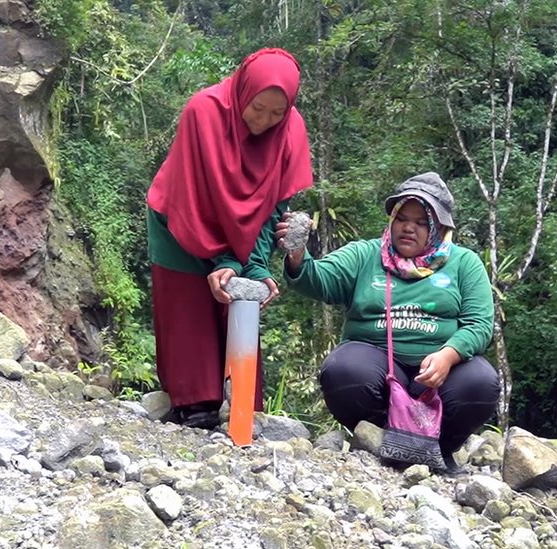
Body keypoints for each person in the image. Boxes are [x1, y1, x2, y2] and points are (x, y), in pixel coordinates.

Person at [275, 172, 499, 473]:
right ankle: (381, 441)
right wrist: (297, 252)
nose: (409, 227)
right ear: (391, 219)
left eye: (421, 222)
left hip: (440, 371)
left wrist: (449, 355)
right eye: (402, 218)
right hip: (376, 364)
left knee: (480, 383)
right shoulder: (365, 254)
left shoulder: (464, 262)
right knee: (342, 371)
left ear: (439, 227)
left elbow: (479, 324)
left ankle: (441, 449)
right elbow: (317, 280)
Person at [146, 48, 313, 428]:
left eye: (276, 113)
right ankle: (192, 402)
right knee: (190, 308)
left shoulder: (290, 131)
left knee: (241, 297)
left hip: (248, 230)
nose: (264, 121)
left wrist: (255, 265)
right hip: (180, 220)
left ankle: (239, 409)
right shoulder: (202, 112)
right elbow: (193, 197)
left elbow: (274, 205)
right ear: (242, 92)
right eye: (257, 108)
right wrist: (224, 258)